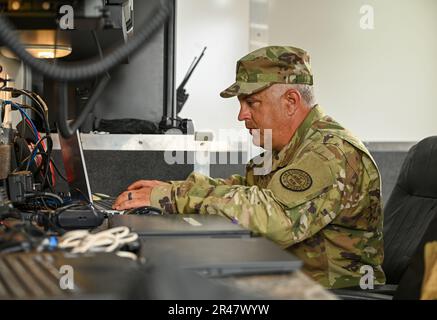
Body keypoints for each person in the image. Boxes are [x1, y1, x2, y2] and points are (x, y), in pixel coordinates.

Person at [113, 46, 386, 289]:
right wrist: (170, 189)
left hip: (326, 292)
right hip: (286, 278)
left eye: (251, 102)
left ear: (290, 102)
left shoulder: (330, 151)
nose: (241, 115)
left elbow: (272, 216)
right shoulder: (288, 148)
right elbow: (245, 188)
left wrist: (172, 199)